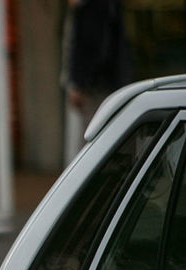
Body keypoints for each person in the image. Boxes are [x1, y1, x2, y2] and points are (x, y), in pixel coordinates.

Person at [61, 0, 131, 159]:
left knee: (93, 137)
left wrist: (76, 82)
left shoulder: (96, 9)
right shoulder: (99, 8)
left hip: (99, 83)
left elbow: (89, 46)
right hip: (97, 83)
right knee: (92, 136)